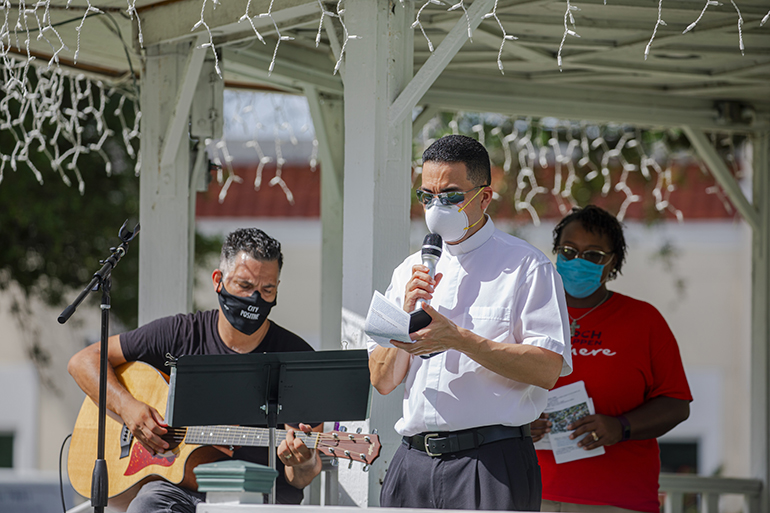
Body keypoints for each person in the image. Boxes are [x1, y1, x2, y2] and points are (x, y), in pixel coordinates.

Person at [368, 134, 573, 511]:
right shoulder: (407, 272)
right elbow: (381, 381)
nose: (435, 207)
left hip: (490, 462)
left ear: (484, 197)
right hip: (413, 463)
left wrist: (460, 339)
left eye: (450, 196)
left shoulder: (527, 267)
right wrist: (403, 313)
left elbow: (547, 368)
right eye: (426, 196)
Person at [67, 228, 322, 512]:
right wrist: (128, 408)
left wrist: (304, 461)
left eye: (267, 290)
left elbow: (300, 478)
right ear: (218, 281)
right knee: (145, 506)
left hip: (257, 497)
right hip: (176, 488)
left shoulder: (296, 358)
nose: (255, 299)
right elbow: (84, 361)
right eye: (244, 285)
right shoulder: (181, 334)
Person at [533, 205, 692, 513]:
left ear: (612, 262)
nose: (578, 261)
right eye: (568, 251)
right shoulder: (529, 315)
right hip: (533, 494)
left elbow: (676, 403)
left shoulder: (643, 321)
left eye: (593, 255)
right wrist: (517, 422)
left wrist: (621, 427)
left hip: (619, 499)